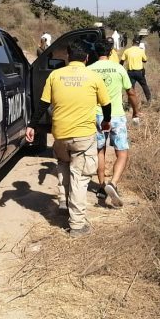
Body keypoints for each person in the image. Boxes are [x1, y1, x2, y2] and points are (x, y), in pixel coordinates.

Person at [26, 41, 111, 238]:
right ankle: (78, 225)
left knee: (63, 164)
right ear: (87, 58)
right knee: (80, 178)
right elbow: (107, 105)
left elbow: (42, 104)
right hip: (83, 136)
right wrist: (106, 122)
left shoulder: (55, 75)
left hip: (60, 135)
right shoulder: (93, 77)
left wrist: (31, 125)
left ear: (68, 57)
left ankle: (63, 202)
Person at [89, 41, 139, 208]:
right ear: (110, 51)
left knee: (100, 151)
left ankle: (102, 185)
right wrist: (136, 111)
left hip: (96, 115)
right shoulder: (119, 68)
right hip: (116, 115)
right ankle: (114, 182)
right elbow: (131, 92)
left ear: (95, 52)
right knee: (122, 153)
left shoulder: (89, 70)